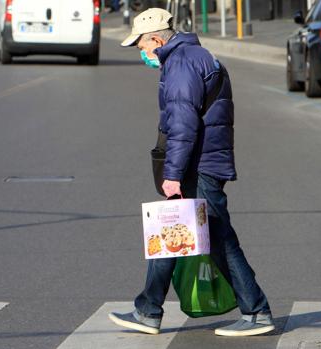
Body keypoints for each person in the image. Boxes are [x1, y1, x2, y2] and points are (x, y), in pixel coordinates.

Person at [108, 8, 275, 337]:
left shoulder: (182, 64)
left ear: (157, 39)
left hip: (200, 165)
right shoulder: (189, 56)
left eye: (142, 47)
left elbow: (183, 127)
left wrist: (172, 174)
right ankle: (148, 310)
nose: (143, 54)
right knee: (170, 235)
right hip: (203, 162)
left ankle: (257, 311)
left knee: (220, 241)